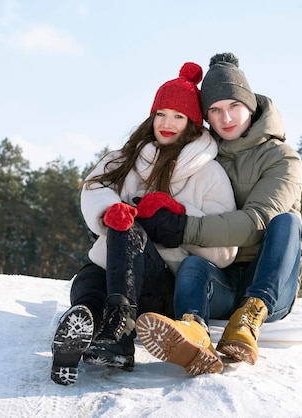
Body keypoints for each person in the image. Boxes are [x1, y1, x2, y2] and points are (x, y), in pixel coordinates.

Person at [50, 62, 238, 385]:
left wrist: (180, 213)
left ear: (192, 124)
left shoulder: (210, 174)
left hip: (161, 285)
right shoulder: (126, 158)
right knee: (89, 279)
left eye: (178, 117)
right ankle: (84, 323)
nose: (167, 123)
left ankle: (120, 334)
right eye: (161, 114)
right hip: (116, 272)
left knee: (130, 230)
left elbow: (226, 251)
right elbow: (95, 187)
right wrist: (109, 210)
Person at [135, 52, 302, 375]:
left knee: (287, 222)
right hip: (224, 276)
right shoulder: (200, 154)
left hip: (270, 281)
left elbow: (257, 222)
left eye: (233, 107)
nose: (225, 118)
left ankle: (247, 320)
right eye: (214, 110)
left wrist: (184, 228)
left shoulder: (283, 159)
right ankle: (193, 332)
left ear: (250, 105)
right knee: (193, 265)